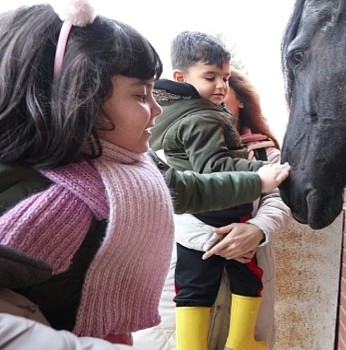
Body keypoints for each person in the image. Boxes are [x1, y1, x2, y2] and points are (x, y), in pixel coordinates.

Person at [0, 2, 289, 347]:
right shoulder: (53, 203)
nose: (156, 110)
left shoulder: (134, 168)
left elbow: (185, 188)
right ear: (79, 97)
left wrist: (258, 214)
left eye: (226, 83)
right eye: (140, 95)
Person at [134, 67, 290, 350]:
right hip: (180, 277)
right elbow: (163, 200)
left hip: (246, 267)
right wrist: (206, 234)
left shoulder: (266, 154)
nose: (214, 93)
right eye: (208, 81)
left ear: (240, 99)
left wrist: (257, 230)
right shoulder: (167, 143)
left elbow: (279, 201)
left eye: (225, 83)